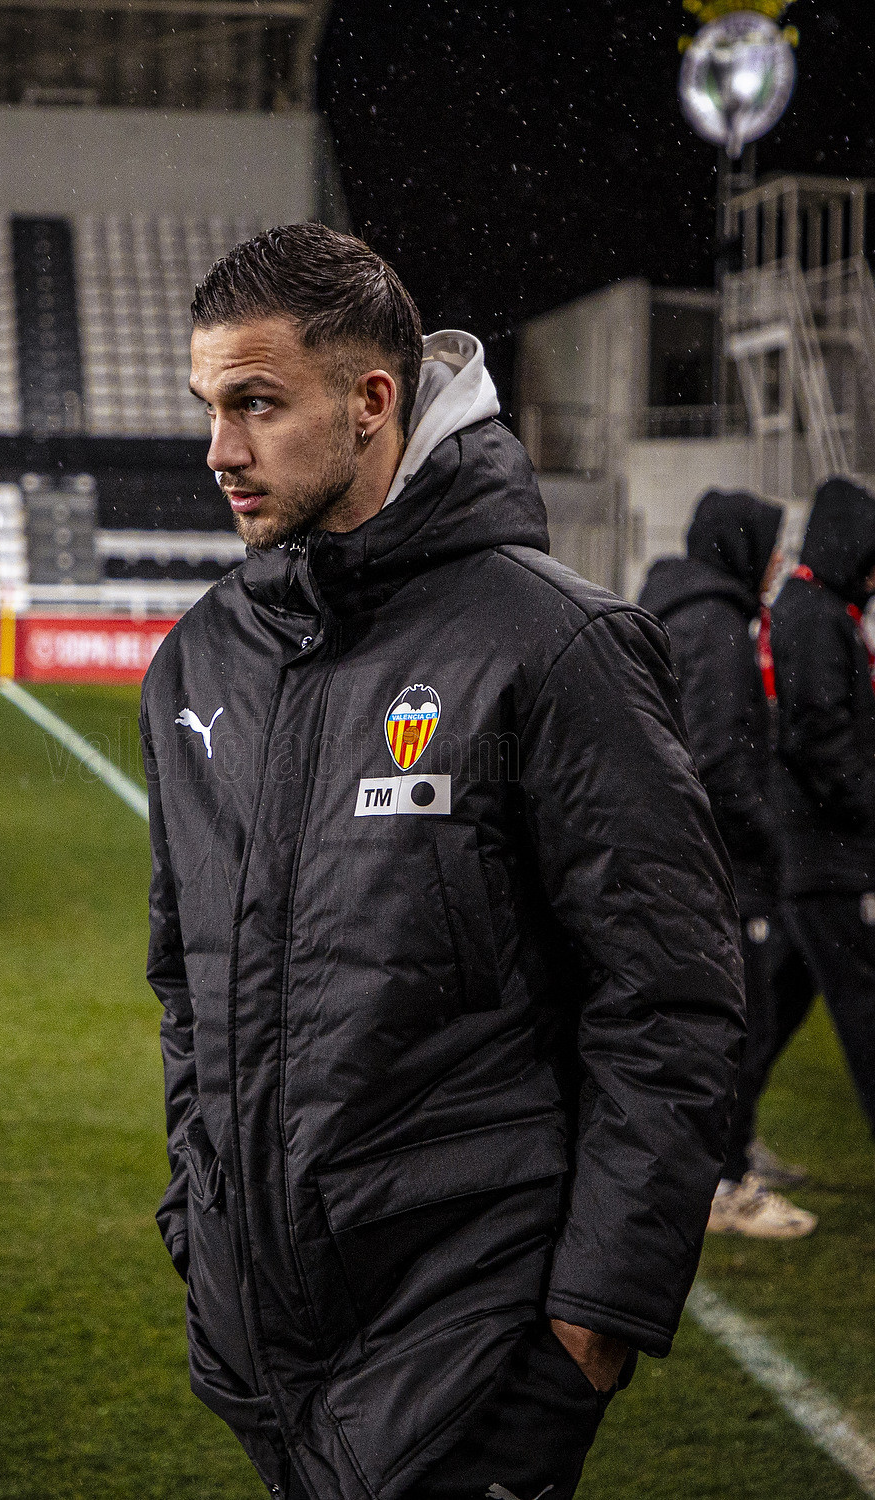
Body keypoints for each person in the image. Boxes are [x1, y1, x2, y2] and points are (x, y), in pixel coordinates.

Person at [139, 223, 745, 1500]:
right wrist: (201, 1215)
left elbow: (668, 1005)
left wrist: (587, 1334)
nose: (219, 450)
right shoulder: (196, 664)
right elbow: (186, 981)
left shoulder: (555, 646)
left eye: (256, 404)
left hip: (470, 1354)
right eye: (208, 407)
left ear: (370, 402)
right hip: (260, 1347)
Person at [639, 490, 817, 1238]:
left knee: (710, 1027)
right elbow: (718, 762)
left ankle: (722, 1159)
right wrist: (767, 838)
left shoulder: (684, 612)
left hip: (684, 861)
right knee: (744, 1023)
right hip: (720, 867)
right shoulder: (714, 627)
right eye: (770, 547)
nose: (778, 563)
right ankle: (725, 1181)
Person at [770, 476, 875, 1146]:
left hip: (810, 853)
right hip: (825, 855)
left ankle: (726, 1154)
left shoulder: (814, 610)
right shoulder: (817, 616)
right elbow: (822, 737)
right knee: (864, 1008)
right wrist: (865, 803)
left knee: (771, 1009)